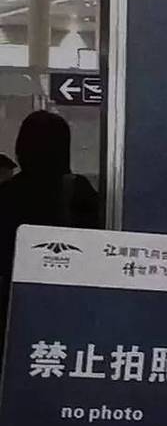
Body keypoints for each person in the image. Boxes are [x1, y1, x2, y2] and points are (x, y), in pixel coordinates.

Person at [0, 111, 99, 343]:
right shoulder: (78, 190)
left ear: (21, 147)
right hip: (64, 300)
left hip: (13, 303)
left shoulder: (6, 193)